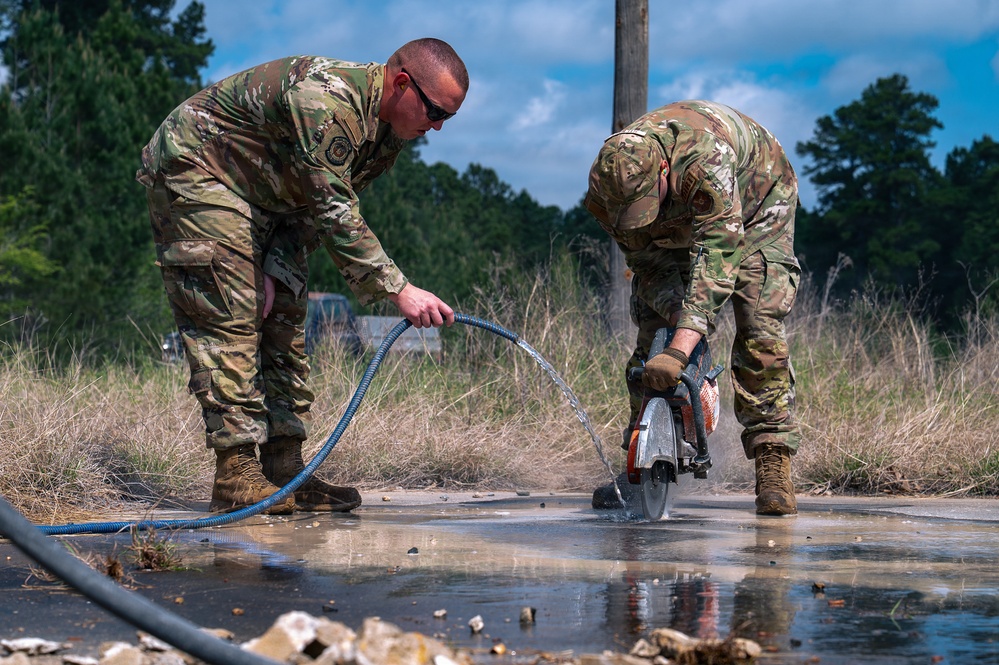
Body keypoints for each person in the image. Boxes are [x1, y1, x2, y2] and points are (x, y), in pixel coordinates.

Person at [136, 39, 468, 514]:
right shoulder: (326, 102)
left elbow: (311, 209)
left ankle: (285, 469)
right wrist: (399, 289)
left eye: (448, 118)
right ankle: (236, 475)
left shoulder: (387, 134)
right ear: (401, 83)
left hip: (266, 200)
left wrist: (272, 266)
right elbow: (335, 209)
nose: (437, 126)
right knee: (233, 312)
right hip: (200, 166)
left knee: (287, 317)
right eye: (436, 110)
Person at [584, 100, 801, 516]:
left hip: (757, 206)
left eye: (642, 206)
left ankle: (773, 460)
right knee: (652, 337)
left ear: (663, 172)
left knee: (758, 325)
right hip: (680, 223)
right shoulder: (605, 188)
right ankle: (643, 461)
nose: (635, 220)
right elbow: (646, 263)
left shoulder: (706, 160)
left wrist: (683, 348)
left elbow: (717, 264)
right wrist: (671, 334)